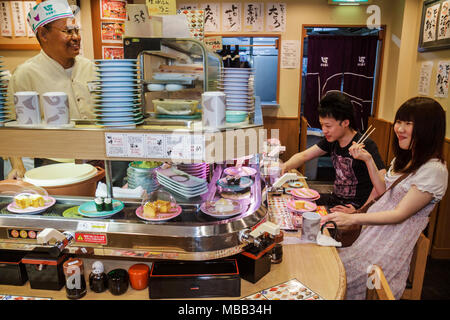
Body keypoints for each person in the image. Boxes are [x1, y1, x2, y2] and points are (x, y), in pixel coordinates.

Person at [322, 97, 448, 299]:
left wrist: (353, 217)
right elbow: (383, 191)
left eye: (408, 123)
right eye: (399, 121)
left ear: (429, 129)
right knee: (329, 265)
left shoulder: (434, 170)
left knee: (335, 276)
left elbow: (399, 214)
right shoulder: (405, 159)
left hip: (388, 247)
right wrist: (368, 160)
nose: (399, 128)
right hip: (371, 237)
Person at [5, 0, 128, 186]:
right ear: (44, 34)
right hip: (54, 164)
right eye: (68, 31)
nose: (76, 37)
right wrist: (17, 164)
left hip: (100, 158)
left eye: (76, 30)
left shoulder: (92, 68)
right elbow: (10, 126)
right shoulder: (25, 74)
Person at [282, 91, 386, 211]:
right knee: (292, 202)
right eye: (322, 125)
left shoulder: (365, 144)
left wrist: (359, 212)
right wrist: (284, 167)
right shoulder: (332, 140)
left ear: (346, 122)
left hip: (355, 207)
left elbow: (381, 186)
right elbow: (304, 156)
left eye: (328, 126)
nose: (324, 130)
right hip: (335, 200)